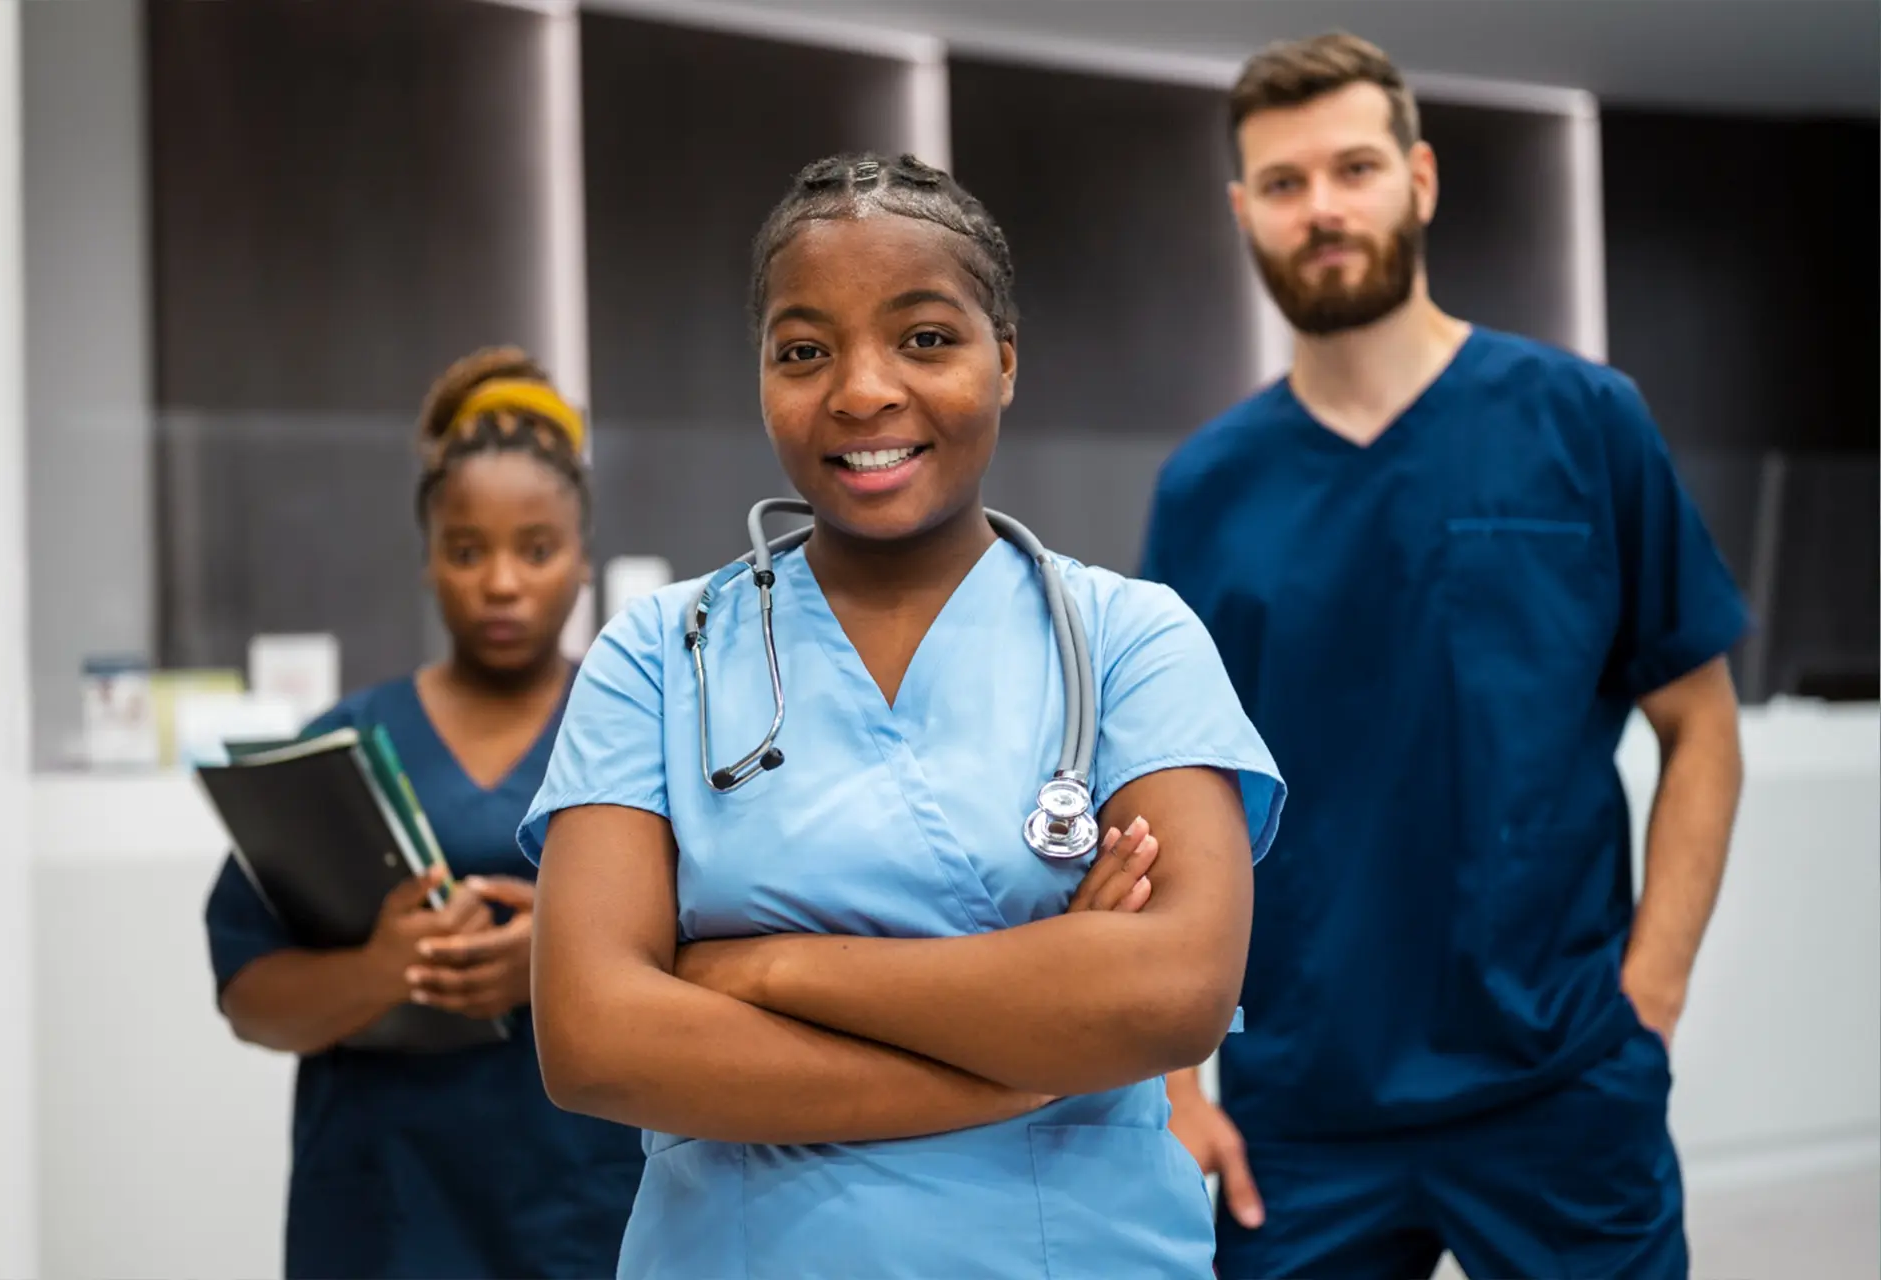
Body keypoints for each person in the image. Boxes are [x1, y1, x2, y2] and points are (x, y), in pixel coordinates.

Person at [519, 151, 1288, 1279]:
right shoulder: (660, 653)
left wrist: (765, 970)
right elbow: (593, 1037)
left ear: (1006, 358)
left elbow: (1172, 991)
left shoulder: (1134, 639)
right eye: (804, 349)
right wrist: (1029, 1049)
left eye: (925, 337)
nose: (863, 390)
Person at [1143, 32, 1748, 1280]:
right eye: (1287, 181)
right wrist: (1171, 1084)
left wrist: (1650, 1003)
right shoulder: (1205, 489)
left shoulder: (1583, 422)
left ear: (1418, 179)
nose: (1323, 209)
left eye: (1353, 168)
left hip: (1561, 1082)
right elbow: (1164, 798)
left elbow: (1703, 729)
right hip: (1300, 1110)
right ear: (1243, 210)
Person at [203, 348, 646, 1279]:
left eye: (536, 548)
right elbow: (249, 998)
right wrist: (380, 970)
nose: (501, 583)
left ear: (582, 562)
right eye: (466, 550)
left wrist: (552, 962)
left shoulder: (639, 738)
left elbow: (730, 965)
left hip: (584, 1209)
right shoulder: (341, 750)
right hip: (381, 1216)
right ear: (426, 561)